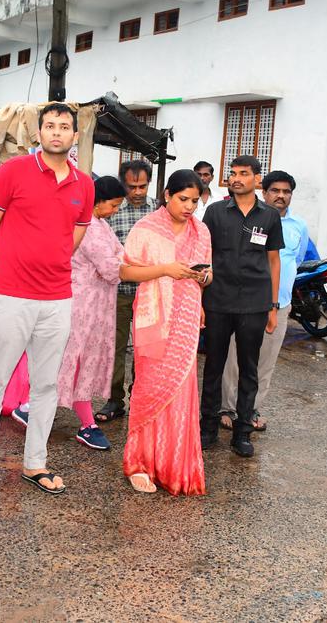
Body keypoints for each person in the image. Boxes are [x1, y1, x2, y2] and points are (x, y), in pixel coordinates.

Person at [0, 103, 94, 495]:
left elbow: (76, 235)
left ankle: (35, 463)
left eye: (64, 126)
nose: (57, 132)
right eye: (50, 125)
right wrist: (17, 262)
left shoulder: (83, 184)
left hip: (57, 297)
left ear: (75, 136)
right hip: (10, 294)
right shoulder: (13, 172)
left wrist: (49, 261)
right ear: (38, 133)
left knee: (46, 385)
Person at [121, 170, 212, 494]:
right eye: (183, 199)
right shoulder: (146, 229)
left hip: (186, 315)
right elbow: (125, 270)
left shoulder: (201, 232)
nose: (189, 206)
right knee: (148, 387)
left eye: (194, 200)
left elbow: (208, 273)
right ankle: (140, 462)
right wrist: (165, 270)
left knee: (181, 389)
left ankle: (174, 463)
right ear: (167, 195)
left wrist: (203, 278)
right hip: (153, 318)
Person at [200, 155, 283, 458]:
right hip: (218, 300)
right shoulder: (215, 212)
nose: (236, 178)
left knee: (249, 369)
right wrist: (200, 302)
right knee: (213, 367)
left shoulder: (270, 216)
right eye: (232, 173)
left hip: (254, 303)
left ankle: (242, 433)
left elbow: (273, 261)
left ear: (257, 180)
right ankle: (207, 428)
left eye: (243, 173)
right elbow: (203, 254)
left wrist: (272, 305)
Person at [221, 170, 308, 431]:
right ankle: (227, 407)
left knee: (265, 360)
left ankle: (251, 408)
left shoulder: (298, 226)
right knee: (234, 356)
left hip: (279, 305)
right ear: (264, 192)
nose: (281, 196)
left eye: (286, 192)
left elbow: (297, 260)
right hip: (245, 301)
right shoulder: (250, 220)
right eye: (275, 191)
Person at [55, 176, 127, 450]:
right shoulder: (87, 227)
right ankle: (82, 422)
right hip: (82, 303)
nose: (115, 210)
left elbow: (121, 256)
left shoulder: (101, 224)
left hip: (96, 304)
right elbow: (112, 268)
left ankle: (79, 420)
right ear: (98, 201)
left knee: (81, 361)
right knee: (72, 358)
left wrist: (121, 261)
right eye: (113, 204)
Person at [95, 160, 159, 424]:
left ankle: (140, 398)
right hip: (118, 291)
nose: (137, 192)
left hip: (150, 292)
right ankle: (114, 400)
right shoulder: (112, 210)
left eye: (142, 186)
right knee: (115, 346)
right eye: (132, 186)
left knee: (146, 348)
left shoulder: (158, 209)